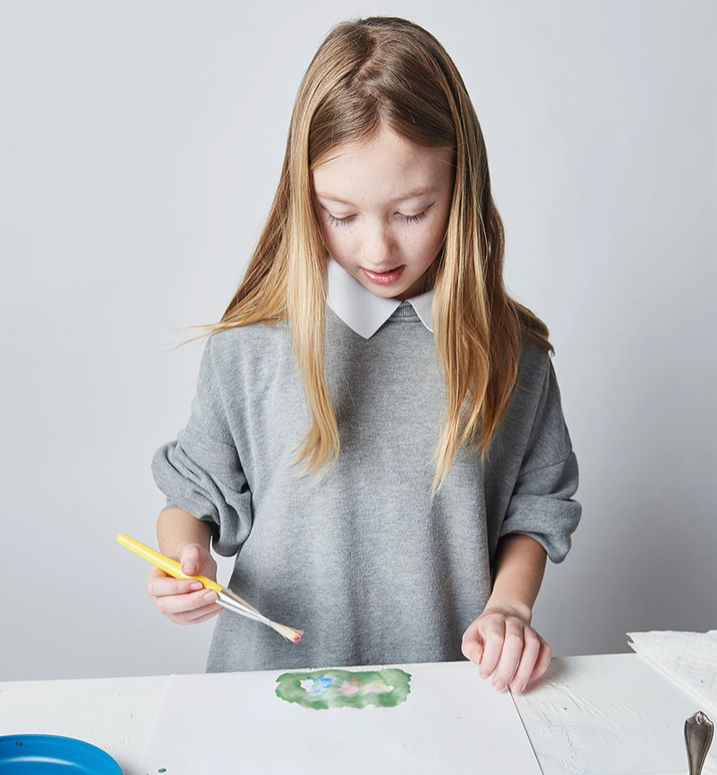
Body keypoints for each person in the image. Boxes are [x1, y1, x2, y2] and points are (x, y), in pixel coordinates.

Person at [147, 16, 581, 692]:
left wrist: (509, 608)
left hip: (443, 704)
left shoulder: (514, 358)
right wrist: (183, 558)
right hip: (265, 703)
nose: (377, 250)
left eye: (411, 211)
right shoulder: (250, 347)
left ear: (459, 187)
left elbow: (537, 509)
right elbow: (191, 498)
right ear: (304, 197)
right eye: (341, 215)